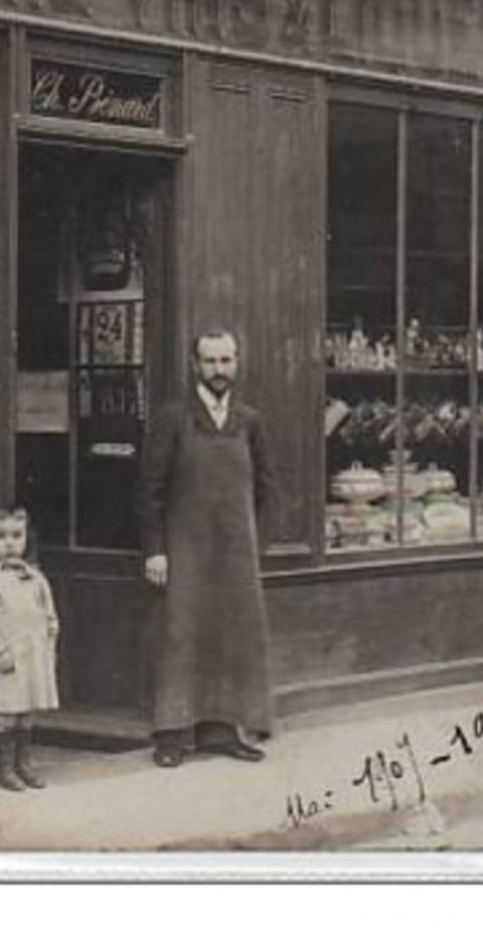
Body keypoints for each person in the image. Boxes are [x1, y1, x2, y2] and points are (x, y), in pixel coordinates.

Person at [136, 329, 276, 768]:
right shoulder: (173, 418)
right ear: (194, 365)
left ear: (237, 363)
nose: (220, 370)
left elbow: (267, 488)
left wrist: (255, 542)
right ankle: (173, 735)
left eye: (227, 360)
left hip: (236, 553)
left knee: (232, 635)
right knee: (182, 635)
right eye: (211, 361)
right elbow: (149, 490)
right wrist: (155, 549)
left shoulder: (250, 420)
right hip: (185, 550)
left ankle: (222, 730)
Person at [0, 508, 60, 791]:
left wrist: (50, 647)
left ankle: (24, 763)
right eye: (1, 536)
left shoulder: (35, 577)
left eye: (17, 536)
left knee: (28, 710)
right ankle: (3, 767)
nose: (9, 543)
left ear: (27, 539)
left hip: (33, 655)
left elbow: (49, 614)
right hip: (7, 659)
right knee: (7, 711)